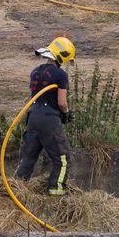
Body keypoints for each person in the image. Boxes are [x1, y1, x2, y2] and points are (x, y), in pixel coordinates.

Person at [15, 36, 76, 196]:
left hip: (33, 118)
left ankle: (16, 191)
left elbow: (36, 96)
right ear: (62, 56)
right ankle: (56, 195)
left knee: (28, 159)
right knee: (62, 159)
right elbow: (61, 102)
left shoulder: (34, 72)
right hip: (49, 121)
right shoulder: (60, 75)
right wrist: (66, 114)